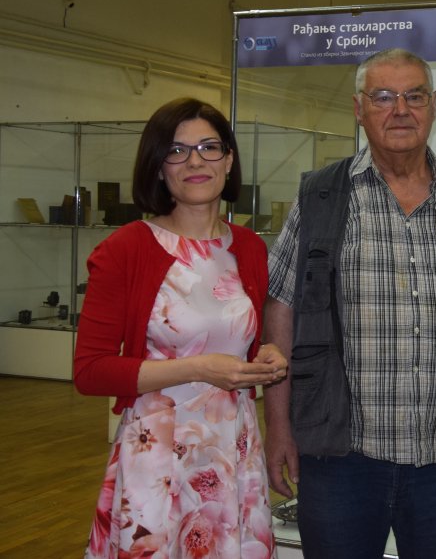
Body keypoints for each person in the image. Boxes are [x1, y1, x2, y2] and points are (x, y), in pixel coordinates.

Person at [262, 48, 436, 559]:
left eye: (414, 96)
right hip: (340, 459)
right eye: (383, 97)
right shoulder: (320, 196)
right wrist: (277, 426)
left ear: (433, 106)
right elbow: (281, 309)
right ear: (358, 108)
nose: (400, 110)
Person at [74, 98, 287, 558]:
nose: (195, 161)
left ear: (228, 161)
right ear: (158, 167)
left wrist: (265, 356)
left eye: (209, 147)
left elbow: (241, 342)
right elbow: (90, 371)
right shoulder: (126, 248)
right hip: (157, 451)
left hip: (232, 447)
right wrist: (198, 369)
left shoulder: (249, 247)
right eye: (177, 150)